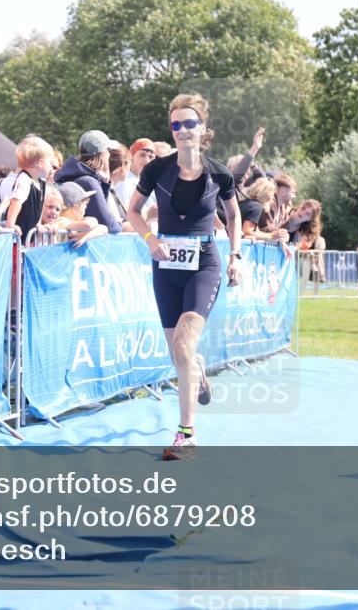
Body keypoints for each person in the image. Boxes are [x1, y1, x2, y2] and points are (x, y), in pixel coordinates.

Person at [125, 93, 242, 461]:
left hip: (204, 263)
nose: (182, 130)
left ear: (202, 129)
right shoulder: (156, 170)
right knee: (179, 354)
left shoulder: (219, 173)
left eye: (189, 123)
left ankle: (186, 434)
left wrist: (235, 255)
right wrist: (149, 239)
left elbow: (234, 216)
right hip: (165, 264)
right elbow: (133, 211)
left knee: (182, 348)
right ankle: (198, 371)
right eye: (175, 124)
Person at [55, 130, 123, 234]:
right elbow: (111, 226)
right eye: (107, 151)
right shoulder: (89, 182)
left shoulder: (72, 175)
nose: (109, 154)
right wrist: (118, 223)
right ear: (103, 154)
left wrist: (104, 184)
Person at [0, 135, 56, 239]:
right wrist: (11, 224)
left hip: (28, 236)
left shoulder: (41, 181)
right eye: (50, 163)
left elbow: (39, 205)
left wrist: (38, 224)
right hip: (18, 237)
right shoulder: (25, 180)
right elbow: (16, 201)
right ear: (41, 163)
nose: (51, 168)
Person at [47, 182, 108, 248]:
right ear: (75, 209)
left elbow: (104, 228)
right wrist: (92, 221)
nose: (85, 209)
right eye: (85, 206)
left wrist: (85, 237)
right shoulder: (61, 220)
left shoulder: (74, 223)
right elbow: (88, 225)